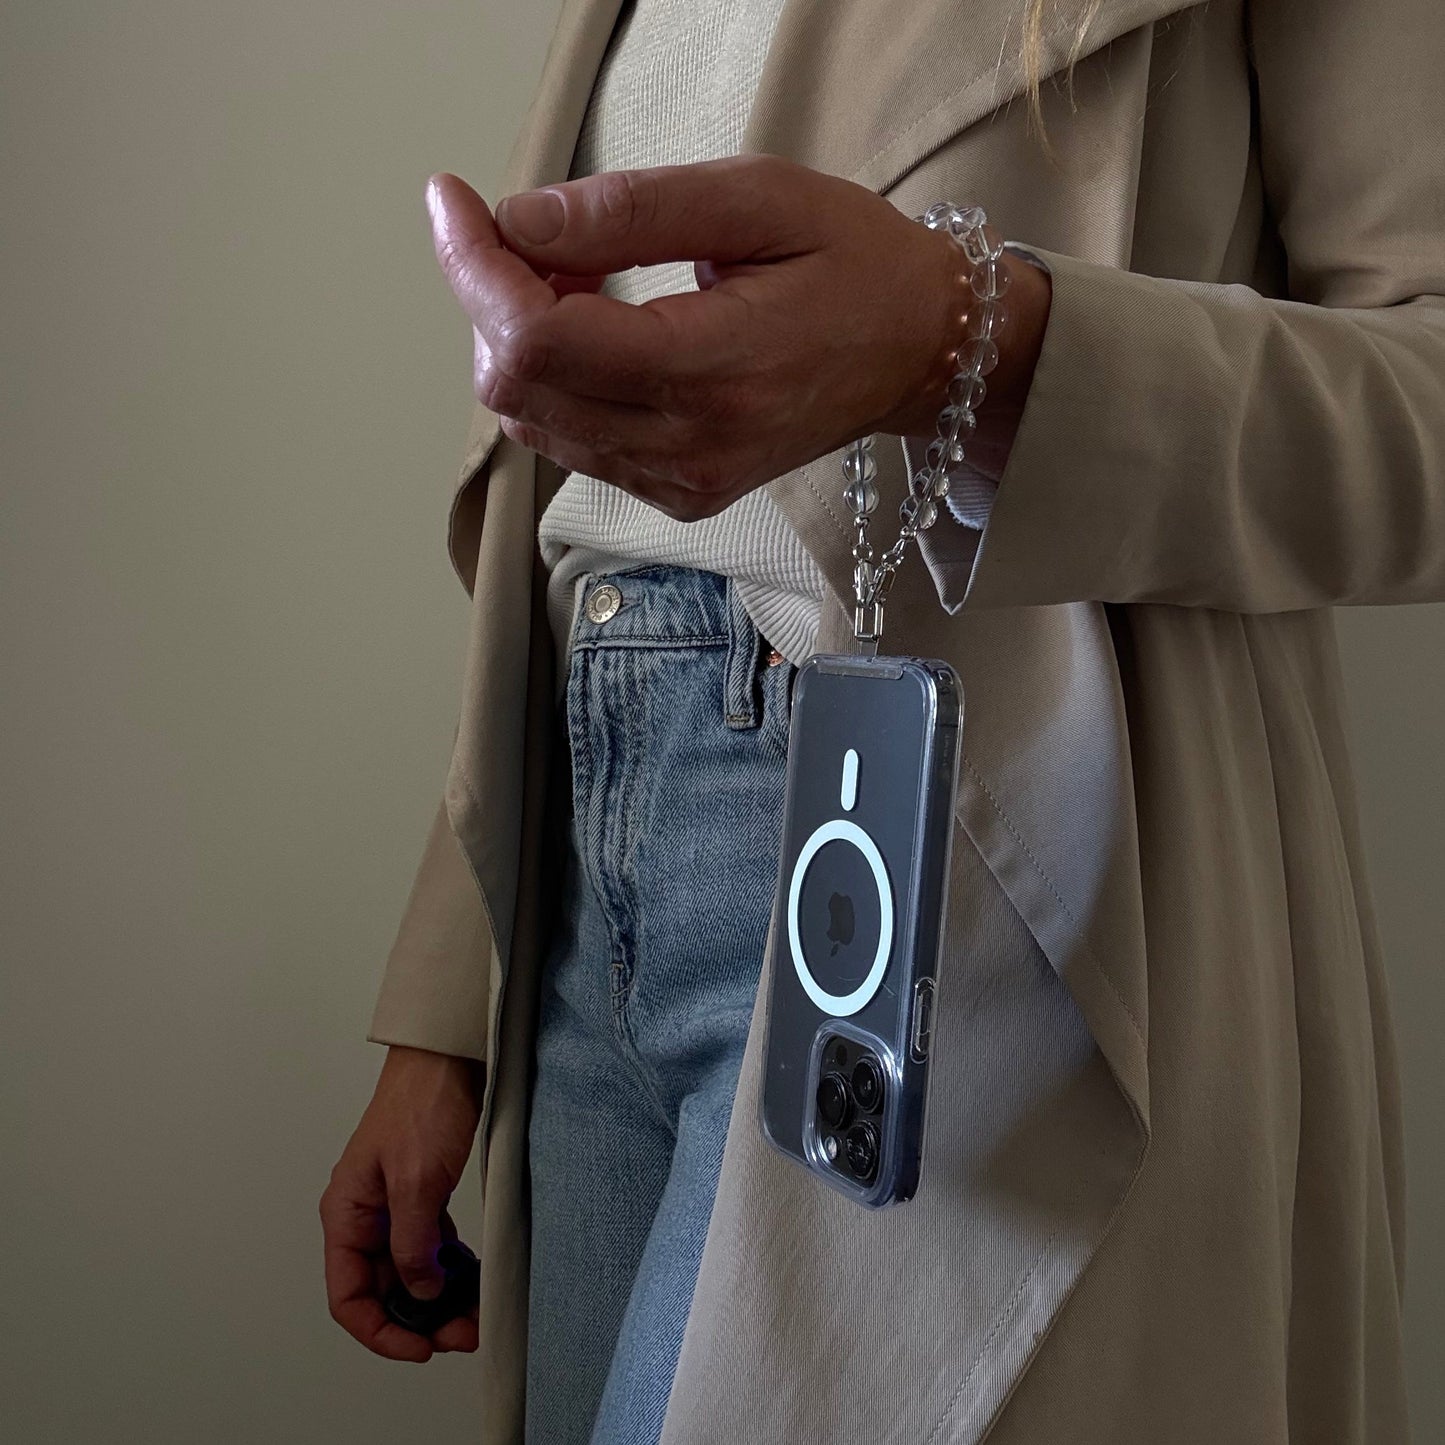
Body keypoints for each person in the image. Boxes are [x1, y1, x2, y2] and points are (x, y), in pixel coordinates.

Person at [321, 0, 1444, 1440]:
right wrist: (448, 996)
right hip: (579, 865)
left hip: (999, 869)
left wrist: (967, 343)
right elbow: (584, 499)